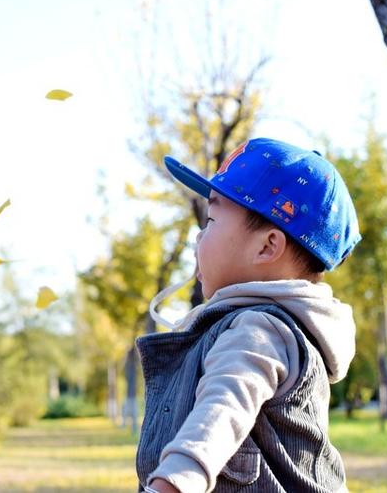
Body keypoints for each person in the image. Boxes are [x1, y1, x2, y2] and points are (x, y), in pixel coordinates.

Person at [136, 137, 361, 493]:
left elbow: (224, 406)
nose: (198, 237)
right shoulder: (254, 326)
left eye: (210, 219)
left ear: (267, 246)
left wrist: (175, 482)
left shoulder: (259, 329)